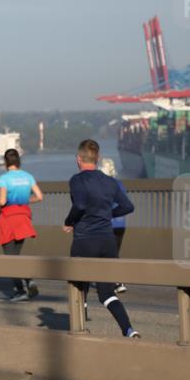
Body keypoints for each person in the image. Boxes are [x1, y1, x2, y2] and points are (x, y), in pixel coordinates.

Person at [64, 140, 139, 338]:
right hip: (107, 242)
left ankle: (79, 330)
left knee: (77, 287)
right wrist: (107, 214)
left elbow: (79, 205)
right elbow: (128, 207)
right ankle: (129, 329)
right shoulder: (110, 182)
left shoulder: (77, 180)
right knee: (107, 293)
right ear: (97, 159)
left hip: (84, 240)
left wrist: (69, 221)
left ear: (79, 159)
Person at [0, 148, 43, 301]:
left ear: (6, 162)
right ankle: (28, 281)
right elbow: (39, 196)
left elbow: (3, 201)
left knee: (10, 259)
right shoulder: (28, 177)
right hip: (23, 218)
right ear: (18, 161)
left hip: (8, 220)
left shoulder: (4, 178)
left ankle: (21, 290)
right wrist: (25, 201)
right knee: (16, 256)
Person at [99, 158, 128, 293]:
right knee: (115, 253)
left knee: (104, 254)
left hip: (107, 224)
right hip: (121, 223)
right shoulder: (119, 184)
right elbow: (125, 203)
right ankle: (118, 281)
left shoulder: (102, 185)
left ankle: (110, 283)